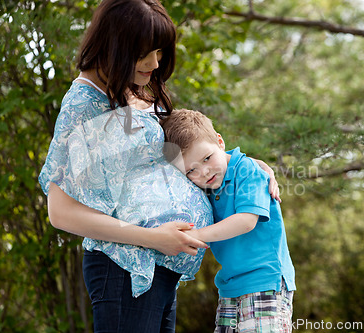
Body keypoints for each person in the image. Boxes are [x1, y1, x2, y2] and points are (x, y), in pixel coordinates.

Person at [38, 1, 280, 332]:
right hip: (125, 267)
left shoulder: (131, 91)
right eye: (143, 54)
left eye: (158, 51)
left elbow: (192, 148)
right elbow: (60, 212)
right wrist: (153, 238)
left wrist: (246, 164)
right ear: (114, 46)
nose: (154, 63)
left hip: (158, 267)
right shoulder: (84, 105)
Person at [160, 109, 296, 333]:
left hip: (264, 279)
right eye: (191, 170)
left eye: (207, 158)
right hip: (229, 285)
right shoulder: (208, 184)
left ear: (220, 143)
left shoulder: (246, 170)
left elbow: (246, 221)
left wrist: (196, 235)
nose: (204, 172)